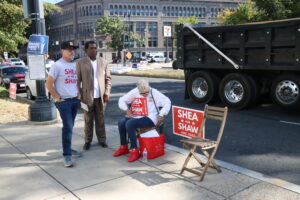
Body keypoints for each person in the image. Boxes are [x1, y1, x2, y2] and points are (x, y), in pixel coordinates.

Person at [113, 79, 171, 162]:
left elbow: (167, 102)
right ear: (138, 90)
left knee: (130, 123)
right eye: (142, 93)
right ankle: (124, 146)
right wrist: (126, 110)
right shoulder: (135, 91)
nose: (144, 94)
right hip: (137, 115)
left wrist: (162, 113)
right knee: (121, 122)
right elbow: (122, 100)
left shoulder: (154, 92)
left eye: (146, 92)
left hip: (150, 117)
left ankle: (134, 149)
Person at [46, 41, 81, 167]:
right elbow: (48, 84)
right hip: (64, 102)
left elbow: (75, 82)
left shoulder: (74, 65)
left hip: (74, 100)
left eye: (73, 49)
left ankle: (69, 148)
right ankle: (67, 155)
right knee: (68, 127)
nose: (72, 52)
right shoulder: (57, 65)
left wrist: (78, 95)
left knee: (70, 127)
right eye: (69, 49)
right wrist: (58, 97)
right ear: (62, 51)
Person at [76, 41, 112, 150]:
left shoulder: (103, 62)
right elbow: (77, 81)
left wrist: (107, 92)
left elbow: (108, 80)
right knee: (88, 120)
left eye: (95, 48)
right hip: (87, 98)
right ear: (86, 50)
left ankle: (102, 140)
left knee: (101, 119)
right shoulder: (80, 62)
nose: (94, 50)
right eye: (91, 48)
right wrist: (80, 96)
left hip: (101, 97)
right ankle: (88, 141)